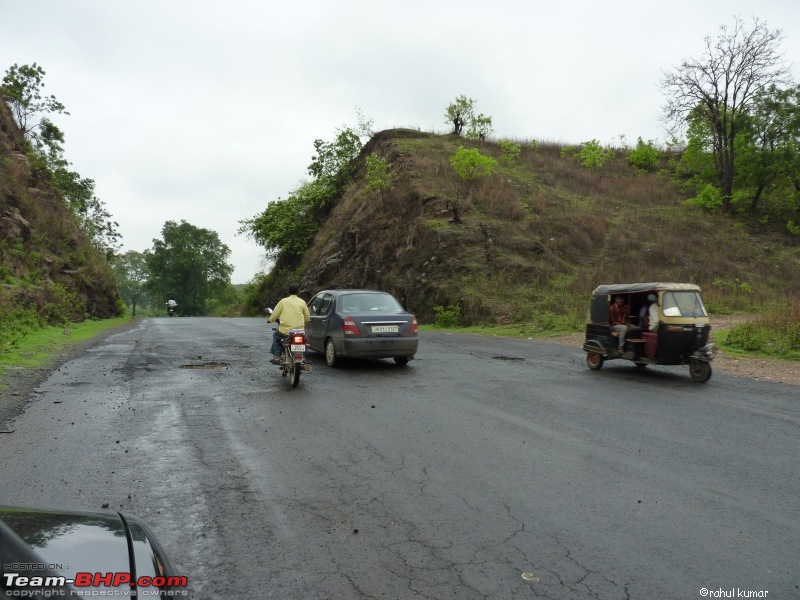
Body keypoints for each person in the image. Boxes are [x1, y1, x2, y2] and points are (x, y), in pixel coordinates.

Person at [268, 284, 310, 365]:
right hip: (299, 330)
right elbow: (307, 317)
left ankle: (277, 356)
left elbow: (275, 314)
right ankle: (303, 356)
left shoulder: (283, 301)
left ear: (288, 291)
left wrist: (271, 320)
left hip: (285, 330)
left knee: (276, 337)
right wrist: (304, 322)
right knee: (304, 341)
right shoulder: (302, 302)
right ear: (298, 291)